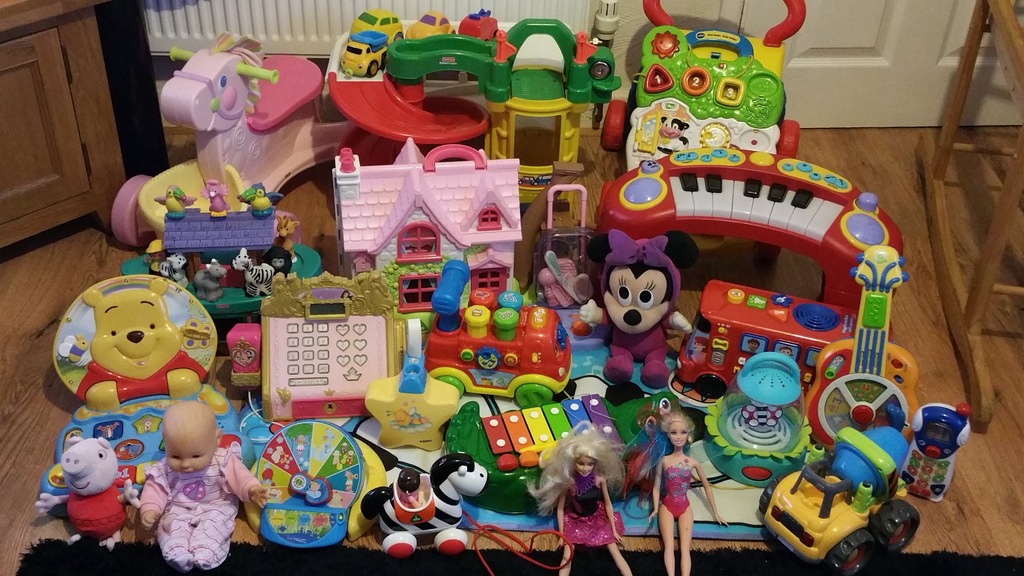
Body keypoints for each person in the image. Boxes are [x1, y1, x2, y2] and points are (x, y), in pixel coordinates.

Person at [139, 401, 267, 572]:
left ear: (216, 440)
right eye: (176, 456)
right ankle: (176, 551)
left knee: (216, 525)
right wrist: (149, 508)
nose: (185, 464)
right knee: (171, 526)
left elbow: (240, 477)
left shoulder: (222, 460)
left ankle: (206, 551)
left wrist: (252, 489)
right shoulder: (164, 468)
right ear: (165, 440)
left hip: (217, 505)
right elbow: (155, 488)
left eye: (196, 456)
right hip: (178, 507)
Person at [624, 398, 727, 576]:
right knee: (669, 547)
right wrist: (655, 508)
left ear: (689, 435)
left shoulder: (693, 462)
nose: (678, 437)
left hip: (685, 507)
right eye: (673, 432)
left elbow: (707, 486)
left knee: (686, 549)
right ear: (668, 435)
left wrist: (715, 512)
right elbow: (656, 486)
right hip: (667, 506)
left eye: (682, 432)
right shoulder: (664, 461)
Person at [528, 424, 632, 576]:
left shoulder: (599, 480)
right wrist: (562, 535)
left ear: (596, 463)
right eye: (581, 463)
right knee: (567, 555)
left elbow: (608, 503)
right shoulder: (570, 483)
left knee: (615, 552)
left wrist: (613, 530)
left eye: (590, 464)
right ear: (573, 462)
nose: (585, 468)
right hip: (576, 520)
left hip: (598, 518)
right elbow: (560, 509)